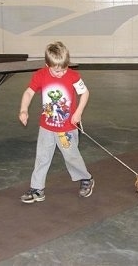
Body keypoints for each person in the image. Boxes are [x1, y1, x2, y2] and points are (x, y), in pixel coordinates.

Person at [19, 41, 94, 203]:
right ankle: (37, 188)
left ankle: (86, 178)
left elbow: (85, 93)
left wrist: (78, 112)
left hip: (66, 128)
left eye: (64, 69)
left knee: (71, 156)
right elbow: (28, 93)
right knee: (42, 157)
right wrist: (24, 109)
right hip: (46, 127)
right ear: (47, 65)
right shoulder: (40, 75)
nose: (61, 73)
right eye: (56, 70)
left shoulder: (73, 76)